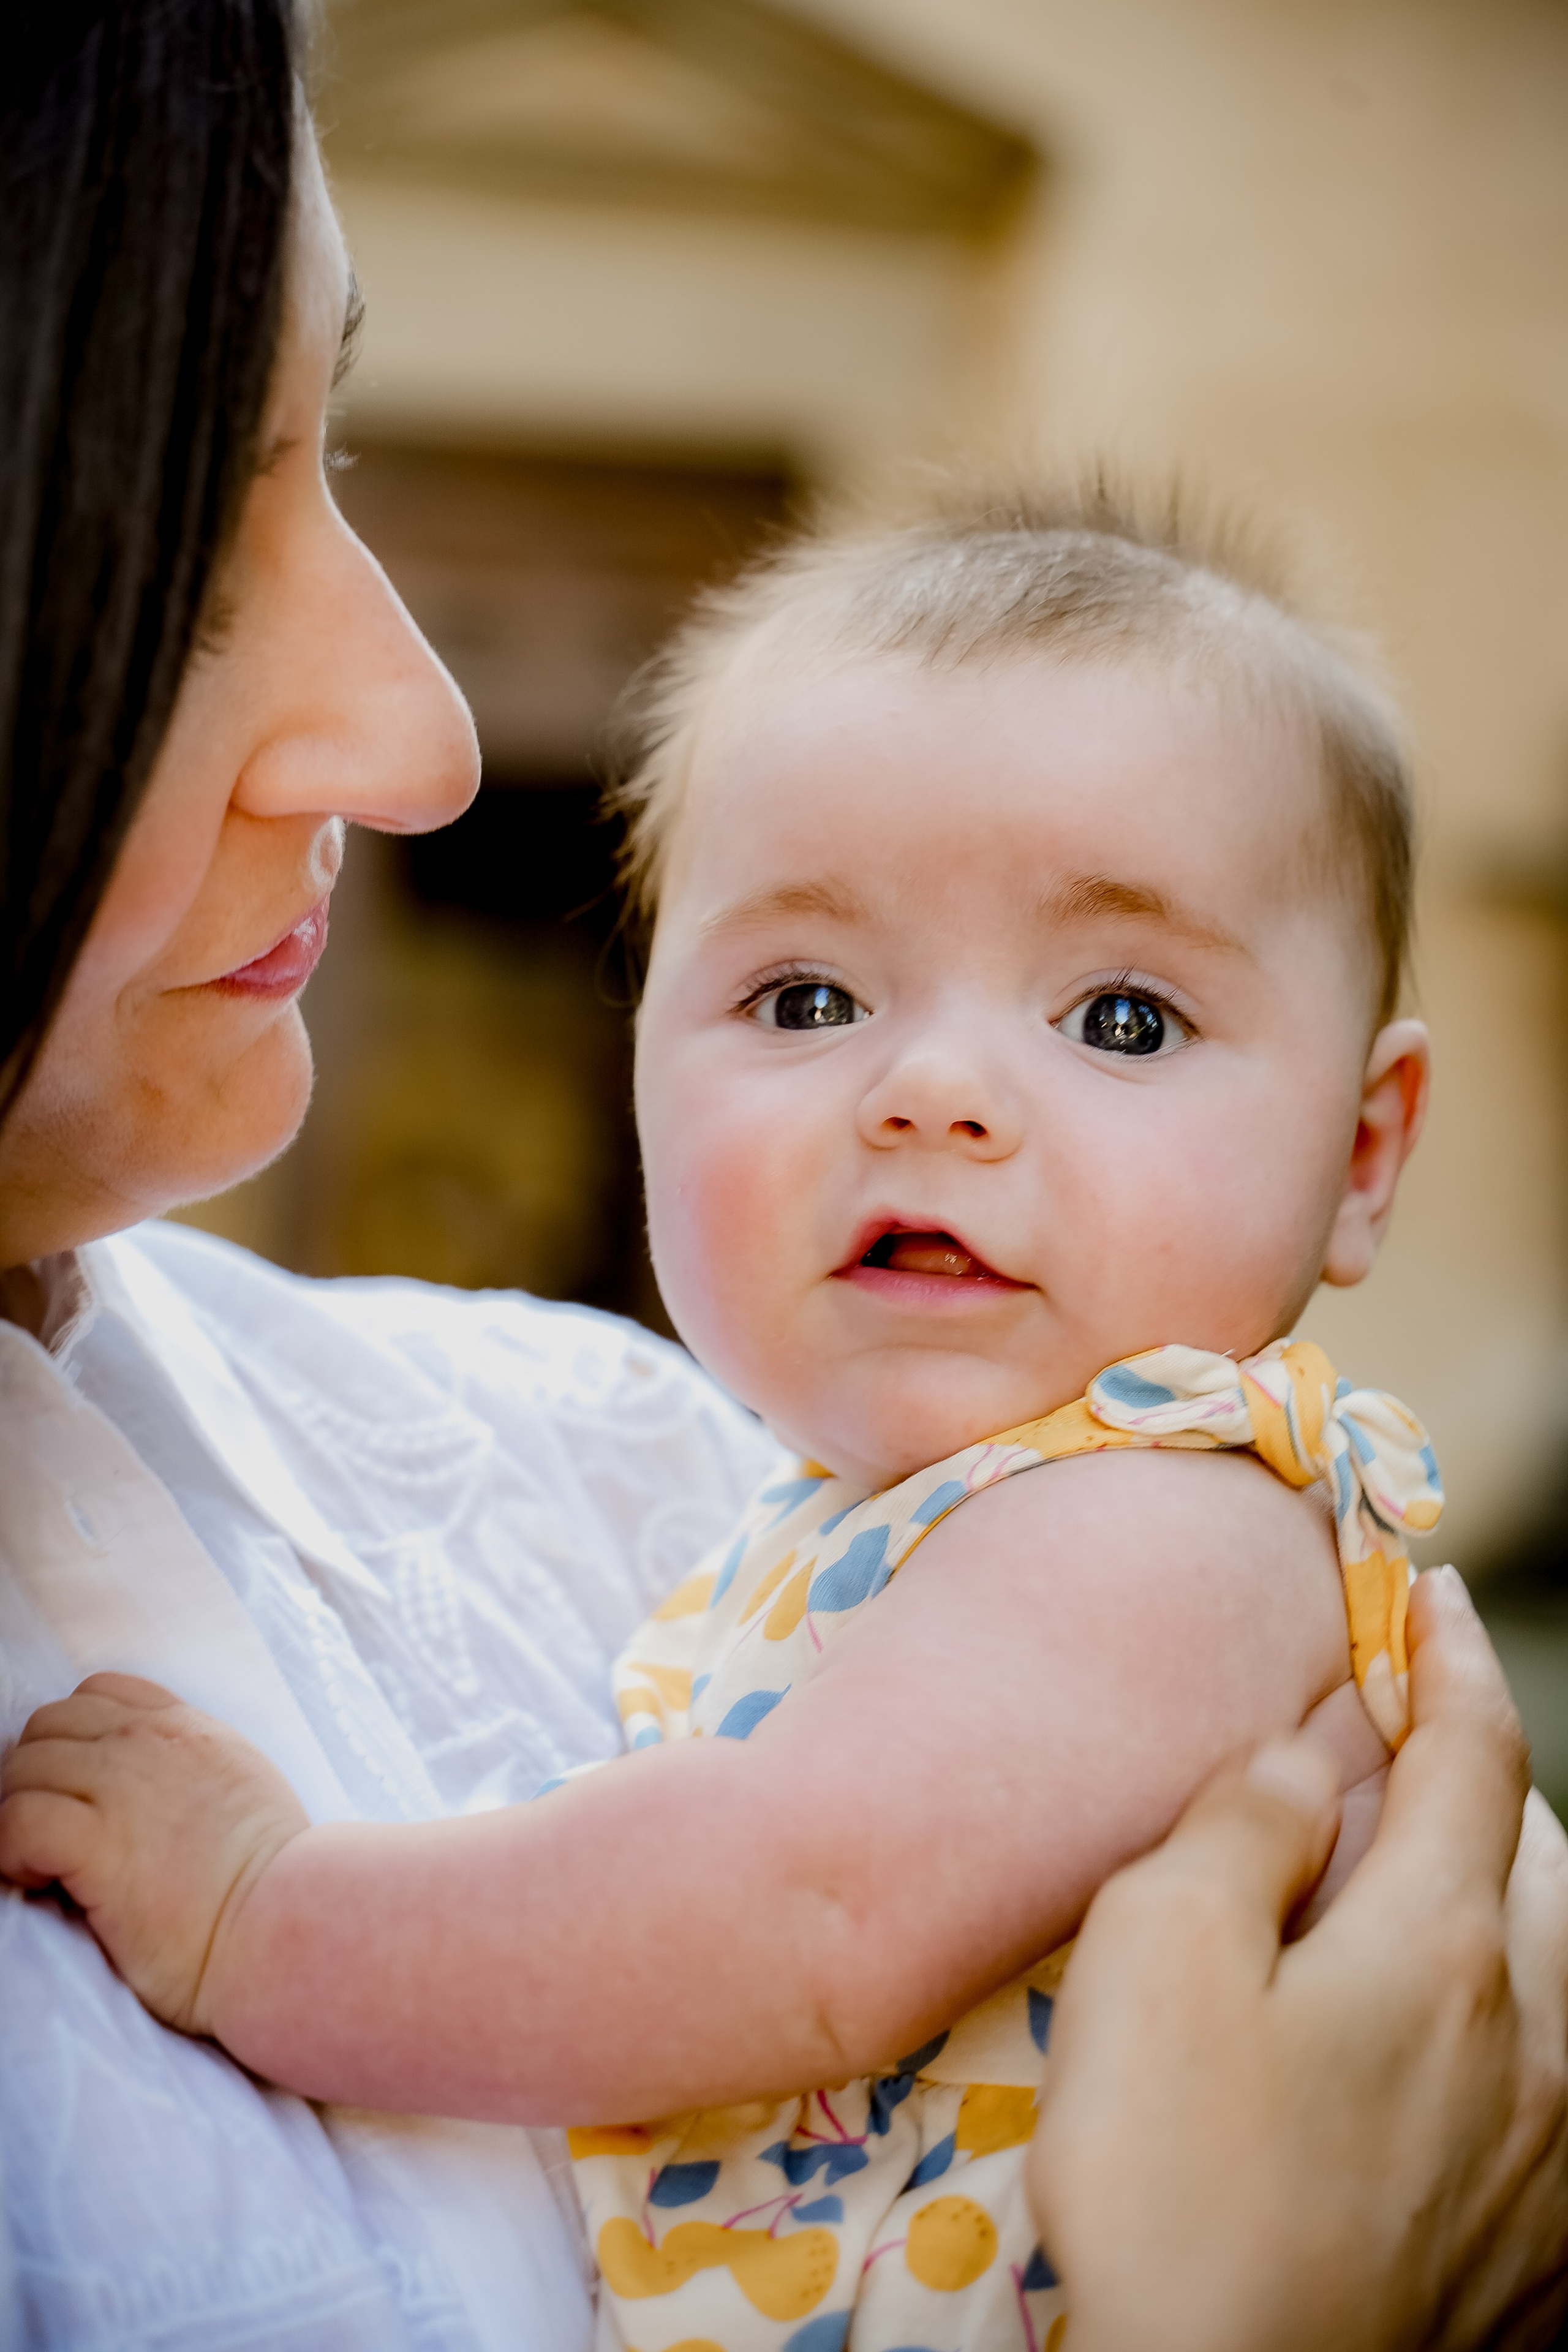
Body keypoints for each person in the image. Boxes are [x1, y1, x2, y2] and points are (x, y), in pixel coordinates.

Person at [0, 5, 1564, 2348]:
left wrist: (260, 1920)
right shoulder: (820, 1519)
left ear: (1366, 1156)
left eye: (1120, 1021)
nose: (933, 1101)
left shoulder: (1167, 1524)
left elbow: (794, 1905)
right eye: (809, 1001)